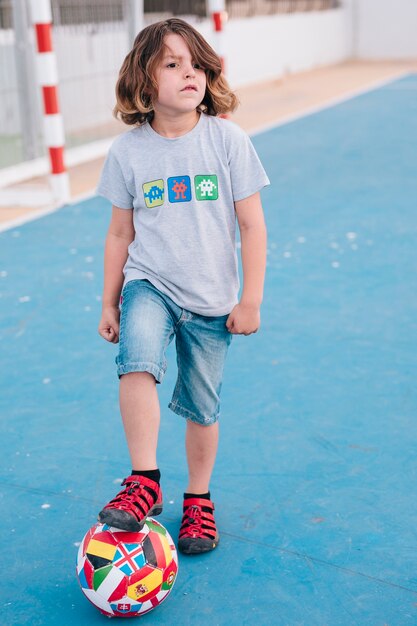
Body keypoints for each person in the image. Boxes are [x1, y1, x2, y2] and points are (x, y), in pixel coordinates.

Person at [96, 17, 269, 555]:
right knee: (138, 361)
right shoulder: (128, 153)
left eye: (195, 63)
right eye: (172, 64)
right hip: (150, 282)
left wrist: (251, 298)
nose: (188, 73)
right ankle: (145, 479)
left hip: (213, 299)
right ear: (145, 84)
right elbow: (120, 231)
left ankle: (197, 501)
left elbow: (252, 225)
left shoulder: (227, 141)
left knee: (202, 407)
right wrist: (108, 299)